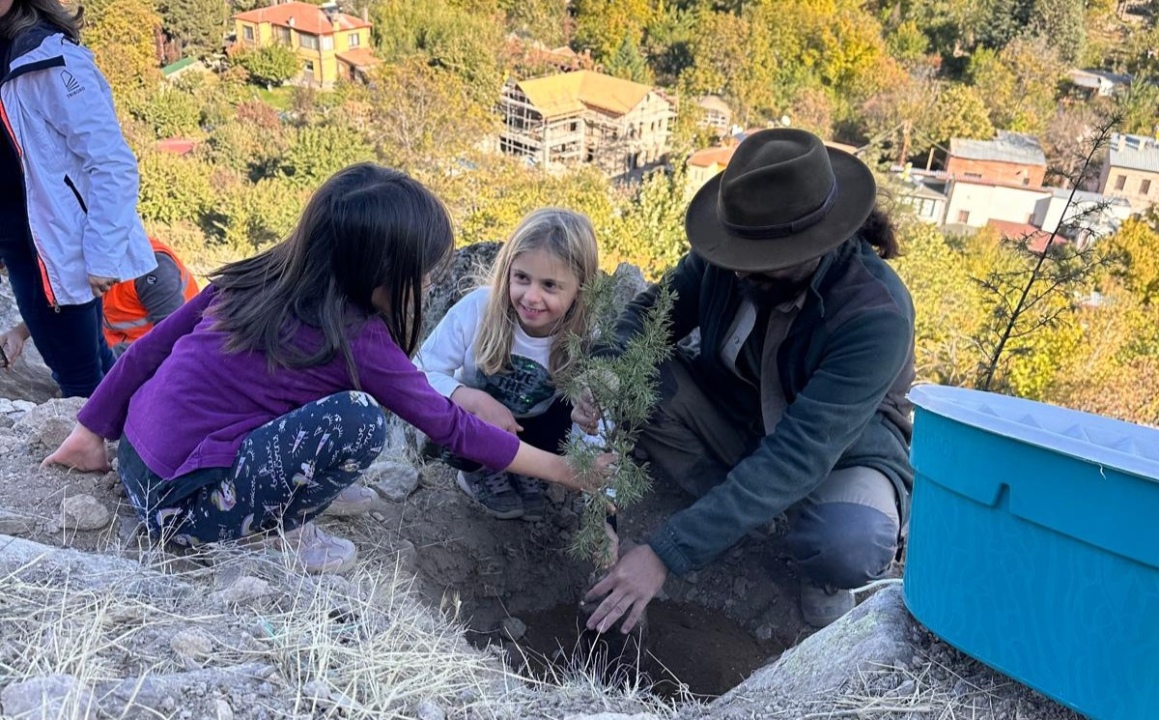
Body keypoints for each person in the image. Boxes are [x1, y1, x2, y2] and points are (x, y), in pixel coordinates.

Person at [43, 163, 608, 574]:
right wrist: (564, 470)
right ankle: (286, 530)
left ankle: (277, 494)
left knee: (303, 406)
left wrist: (90, 430)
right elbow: (450, 426)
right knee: (361, 420)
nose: (432, 281)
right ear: (378, 272)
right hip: (180, 509)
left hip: (135, 459)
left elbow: (147, 350)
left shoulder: (258, 275)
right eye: (425, 272)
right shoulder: (359, 338)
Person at [575, 129, 916, 632]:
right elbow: (652, 318)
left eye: (758, 264)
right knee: (636, 384)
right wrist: (606, 369)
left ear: (816, 244)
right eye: (736, 256)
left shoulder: (874, 315)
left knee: (847, 544)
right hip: (738, 421)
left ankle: (812, 570)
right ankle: (738, 520)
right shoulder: (728, 260)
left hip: (840, 454)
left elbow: (797, 457)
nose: (738, 273)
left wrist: (665, 553)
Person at [0, 0, 157, 396]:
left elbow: (112, 163)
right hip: (22, 247)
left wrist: (103, 255)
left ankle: (98, 452)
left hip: (56, 251)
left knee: (77, 378)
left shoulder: (48, 59)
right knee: (91, 361)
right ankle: (119, 439)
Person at [417, 208, 598, 521]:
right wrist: (471, 398)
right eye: (522, 278)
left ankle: (530, 468)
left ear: (580, 290)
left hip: (534, 426)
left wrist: (596, 500)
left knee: (574, 405)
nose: (531, 296)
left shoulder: (584, 337)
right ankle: (477, 472)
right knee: (451, 411)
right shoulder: (478, 309)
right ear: (507, 271)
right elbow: (419, 372)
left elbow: (591, 419)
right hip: (475, 425)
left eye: (550, 285)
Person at [0, 237, 199, 366]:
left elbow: (175, 340)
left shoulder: (153, 270)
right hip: (119, 350)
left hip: (162, 357)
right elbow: (64, 300)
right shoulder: (85, 261)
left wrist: (103, 358)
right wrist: (19, 333)